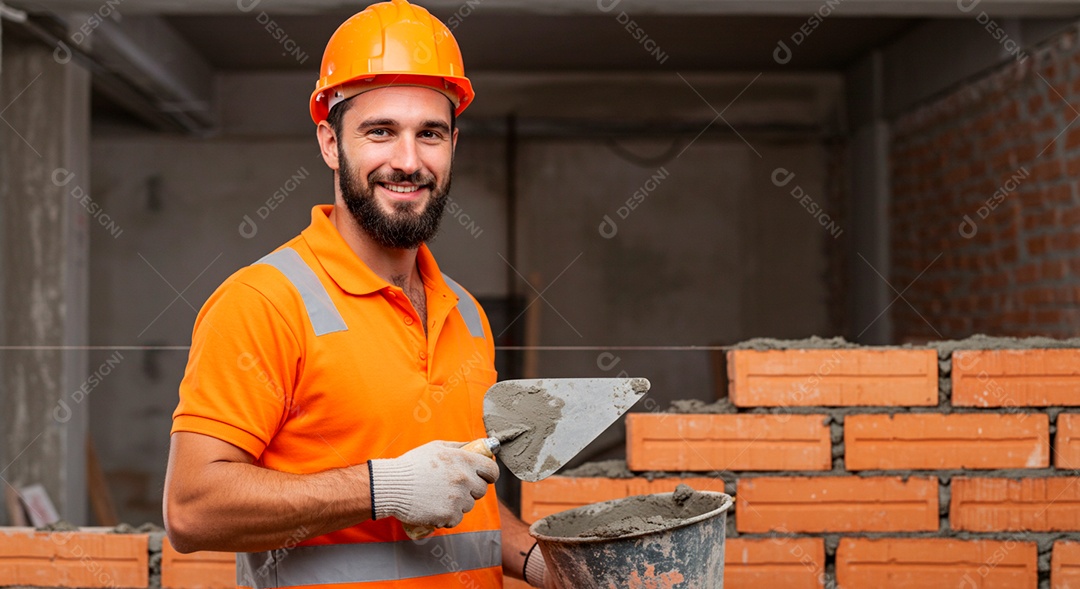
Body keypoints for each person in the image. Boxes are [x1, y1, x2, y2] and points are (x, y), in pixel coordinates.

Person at [162, 1, 552, 587]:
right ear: (329, 142)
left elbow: (465, 501)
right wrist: (383, 489)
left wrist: (544, 564)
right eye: (380, 132)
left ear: (453, 145)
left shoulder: (465, 314)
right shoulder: (264, 302)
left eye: (431, 134)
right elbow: (192, 509)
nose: (407, 161)